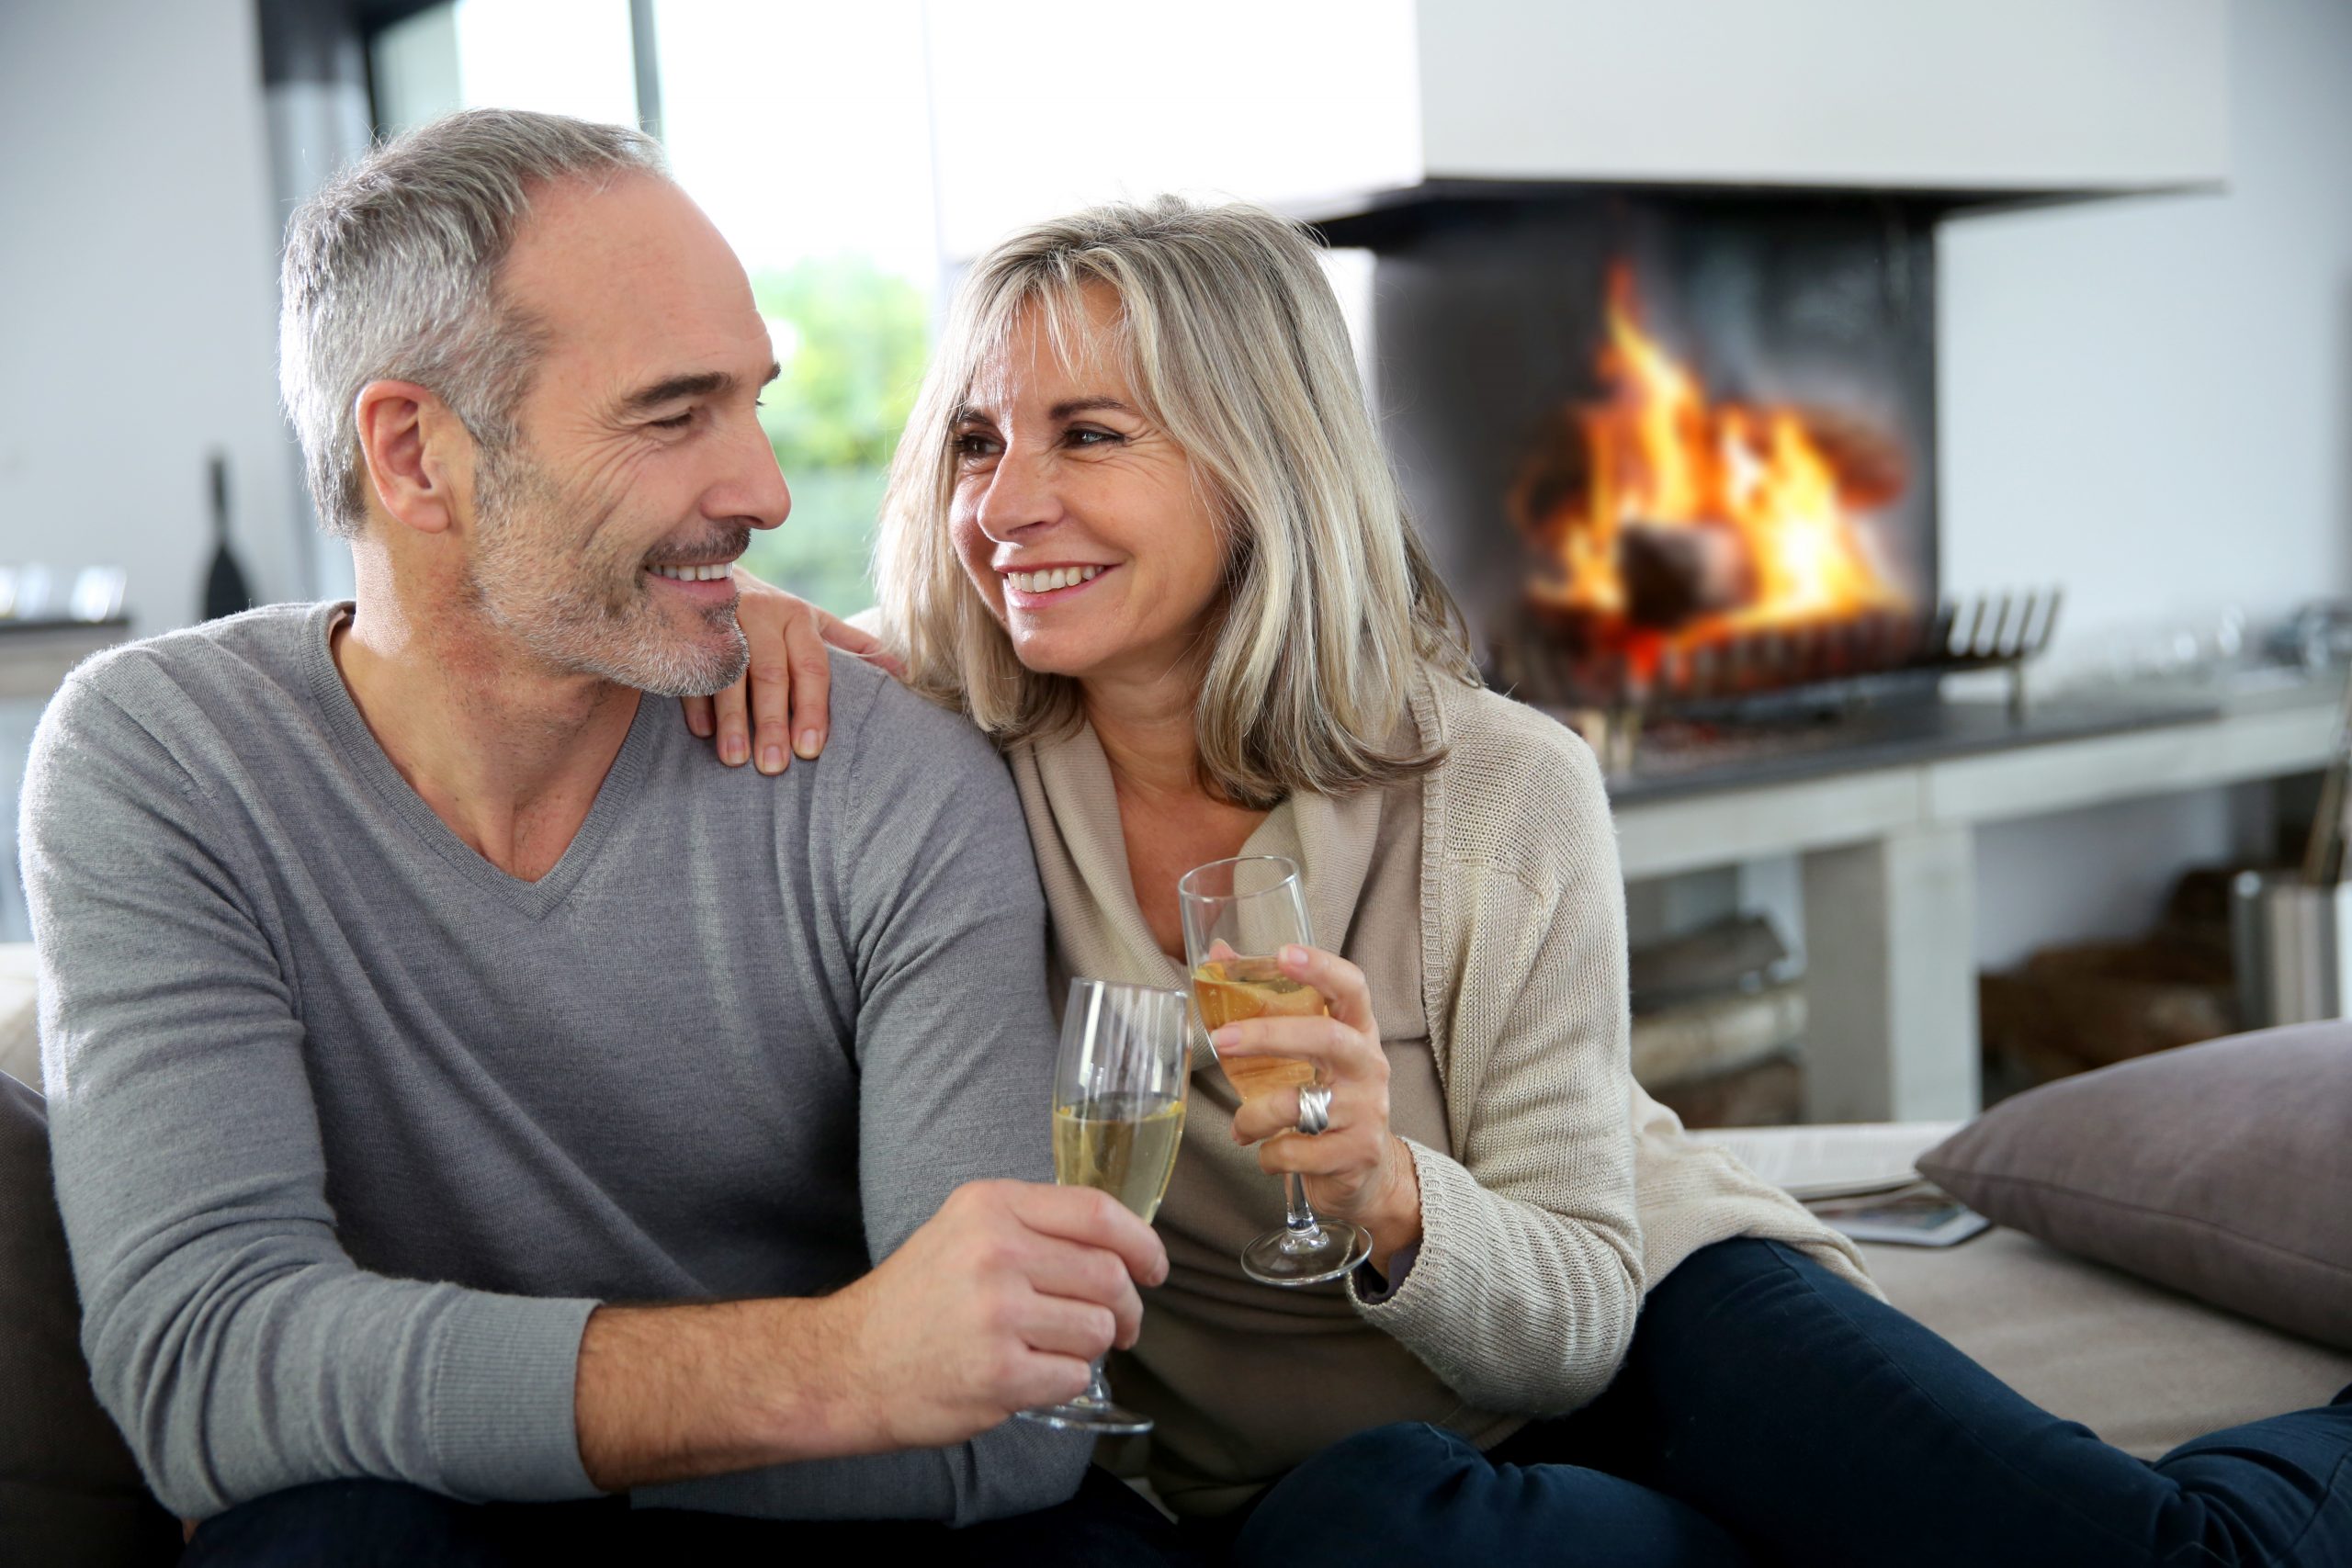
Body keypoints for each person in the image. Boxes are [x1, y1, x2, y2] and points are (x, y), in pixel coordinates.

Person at [701, 196, 2352, 1565]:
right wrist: (754, 623)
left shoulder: (1496, 785)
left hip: (1638, 1311)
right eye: (978, 440)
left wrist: (1385, 1193)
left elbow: (1577, 1312)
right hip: (1328, 1477)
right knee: (1365, 1529)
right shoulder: (938, 762)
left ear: (1257, 461)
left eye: (1090, 434)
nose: (1004, 504)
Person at [24, 109, 1189, 1565]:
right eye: (671, 414)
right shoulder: (168, 761)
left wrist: (425, 1418)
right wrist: (837, 1368)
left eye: (756, 402)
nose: (765, 490)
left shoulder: (885, 780)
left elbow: (1013, 1403)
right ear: (416, 452)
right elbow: (207, 1366)